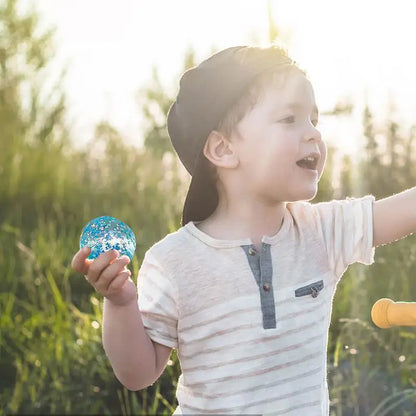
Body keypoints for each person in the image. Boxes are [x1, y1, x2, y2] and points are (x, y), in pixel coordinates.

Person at [71, 45, 416, 415]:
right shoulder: (174, 261)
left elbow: (402, 212)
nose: (313, 134)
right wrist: (121, 303)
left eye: (314, 120)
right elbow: (138, 374)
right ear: (222, 149)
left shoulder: (322, 232)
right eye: (290, 119)